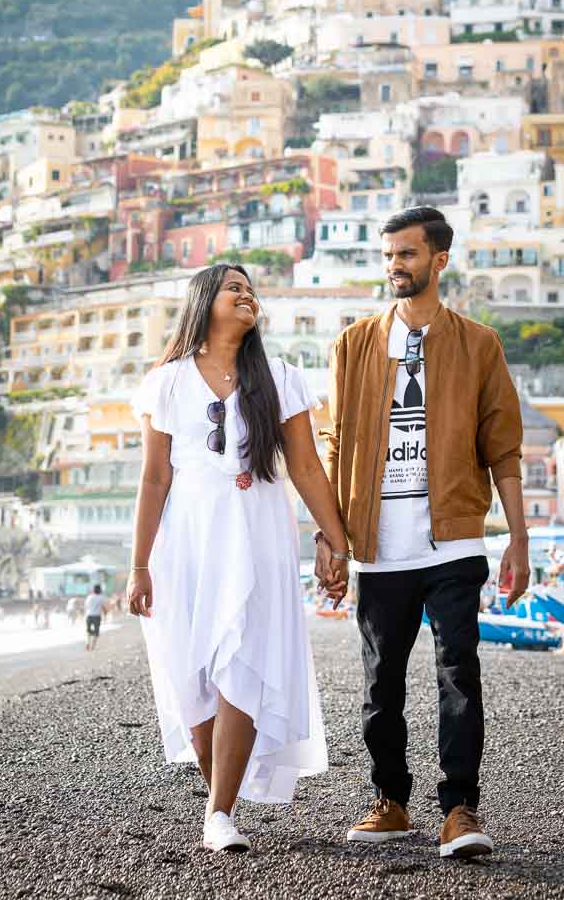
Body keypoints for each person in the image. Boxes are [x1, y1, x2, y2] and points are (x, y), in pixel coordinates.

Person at [317, 206, 529, 860]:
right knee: (381, 685)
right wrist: (330, 537)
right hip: (380, 547)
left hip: (456, 539)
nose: (394, 267)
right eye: (387, 256)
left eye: (406, 255)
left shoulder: (479, 344)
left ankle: (460, 810)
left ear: (440, 259)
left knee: (458, 674)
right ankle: (391, 800)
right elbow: (334, 444)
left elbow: (504, 448)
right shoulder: (353, 345)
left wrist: (519, 540)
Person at [126, 264, 349, 854]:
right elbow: (153, 479)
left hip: (256, 535)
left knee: (242, 661)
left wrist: (336, 541)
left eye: (251, 290)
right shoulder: (167, 383)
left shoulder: (278, 377)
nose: (246, 295)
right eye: (234, 288)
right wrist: (138, 564)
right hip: (186, 542)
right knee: (189, 676)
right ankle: (219, 794)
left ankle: (218, 813)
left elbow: (305, 466)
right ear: (204, 302)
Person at [84, 584, 106, 650]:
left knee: (88, 630)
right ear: (100, 590)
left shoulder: (89, 597)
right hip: (97, 616)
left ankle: (87, 642)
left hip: (89, 615)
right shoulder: (101, 597)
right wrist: (105, 614)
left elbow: (86, 606)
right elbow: (103, 607)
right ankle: (92, 646)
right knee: (96, 632)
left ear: (93, 590)